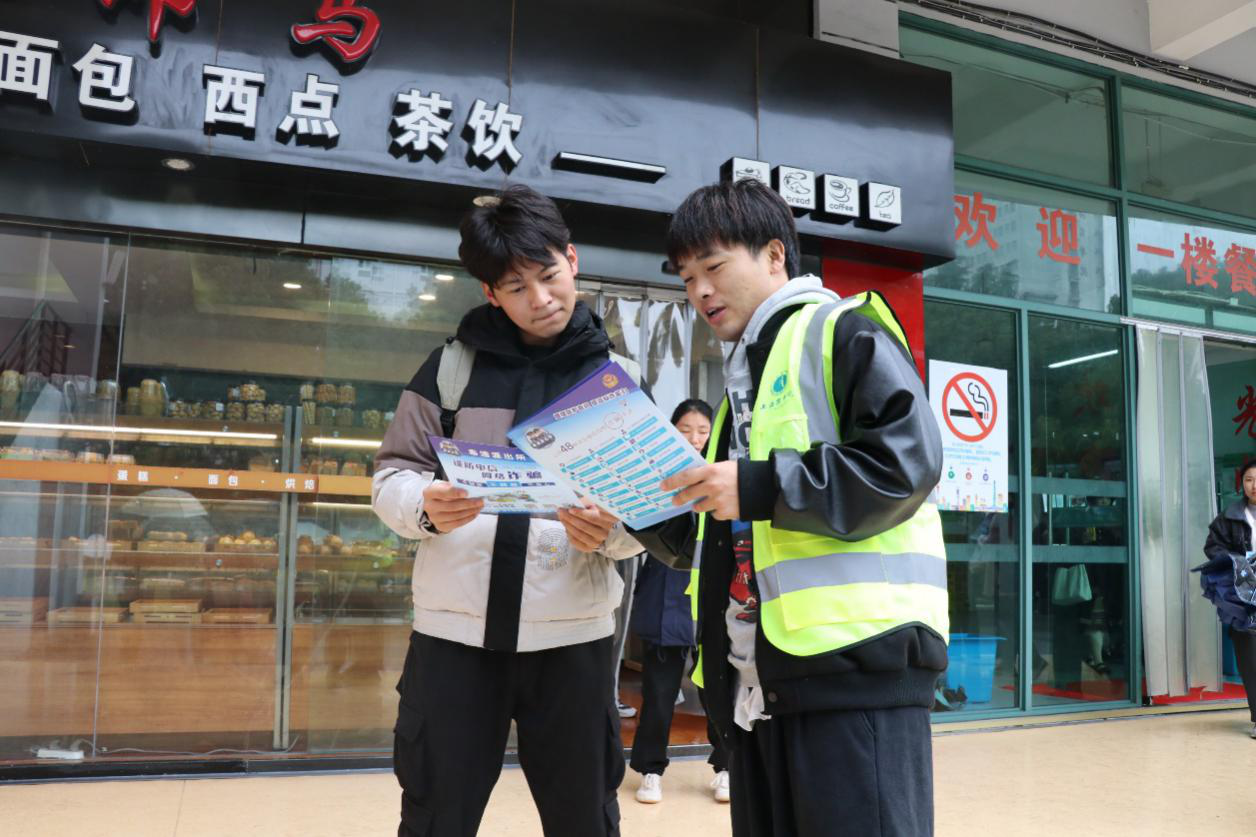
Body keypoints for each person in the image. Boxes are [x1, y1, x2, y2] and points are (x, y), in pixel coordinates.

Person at [635, 179, 949, 837]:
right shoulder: (739, 392)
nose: (700, 291)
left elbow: (906, 465)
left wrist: (758, 487)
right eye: (687, 278)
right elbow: (716, 540)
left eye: (714, 267)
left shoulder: (843, 331)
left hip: (853, 684)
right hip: (758, 690)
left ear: (775, 255)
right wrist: (627, 509)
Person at [372, 184, 643, 837]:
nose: (540, 298)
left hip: (572, 640)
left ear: (572, 260)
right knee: (436, 816)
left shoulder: (615, 378)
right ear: (491, 293)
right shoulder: (450, 369)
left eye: (548, 275)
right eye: (517, 287)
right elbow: (391, 475)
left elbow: (645, 508)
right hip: (454, 641)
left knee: (585, 819)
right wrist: (424, 506)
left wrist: (612, 532)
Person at [630, 398, 731, 805]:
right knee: (658, 692)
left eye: (702, 430)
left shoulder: (724, 475)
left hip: (710, 595)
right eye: (685, 429)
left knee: (716, 691)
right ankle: (650, 770)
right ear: (671, 430)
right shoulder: (656, 475)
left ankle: (725, 767)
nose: (694, 437)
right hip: (665, 597)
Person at [1203, 458, 1256, 738]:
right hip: (1245, 595)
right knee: (1250, 657)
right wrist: (1239, 563)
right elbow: (1213, 547)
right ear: (1241, 484)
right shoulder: (1230, 517)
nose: (1254, 485)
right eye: (1249, 479)